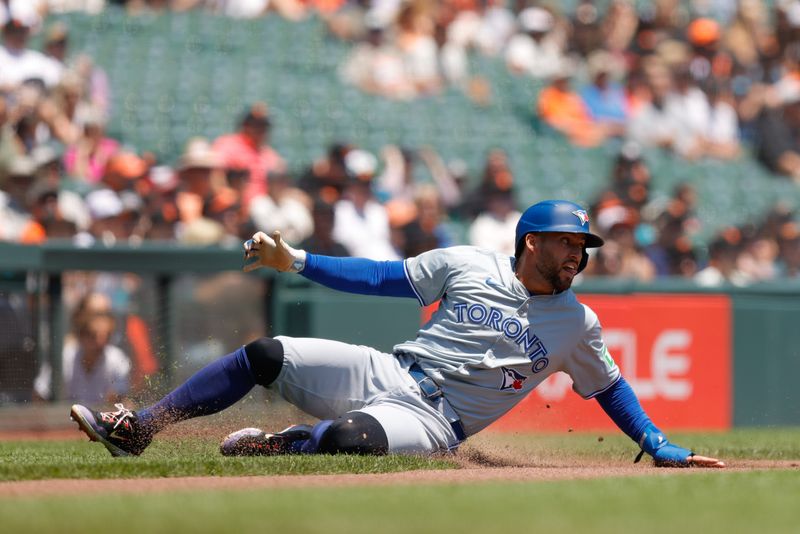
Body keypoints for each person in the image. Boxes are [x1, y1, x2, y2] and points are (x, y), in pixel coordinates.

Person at [69, 199, 724, 468]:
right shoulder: (468, 262)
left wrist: (658, 444)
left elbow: (610, 389)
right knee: (265, 354)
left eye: (585, 244)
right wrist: (296, 260)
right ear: (533, 243)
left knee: (351, 440)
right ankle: (141, 428)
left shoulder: (578, 324)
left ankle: (280, 446)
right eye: (569, 241)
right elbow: (382, 278)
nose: (580, 252)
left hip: (438, 426)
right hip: (386, 371)